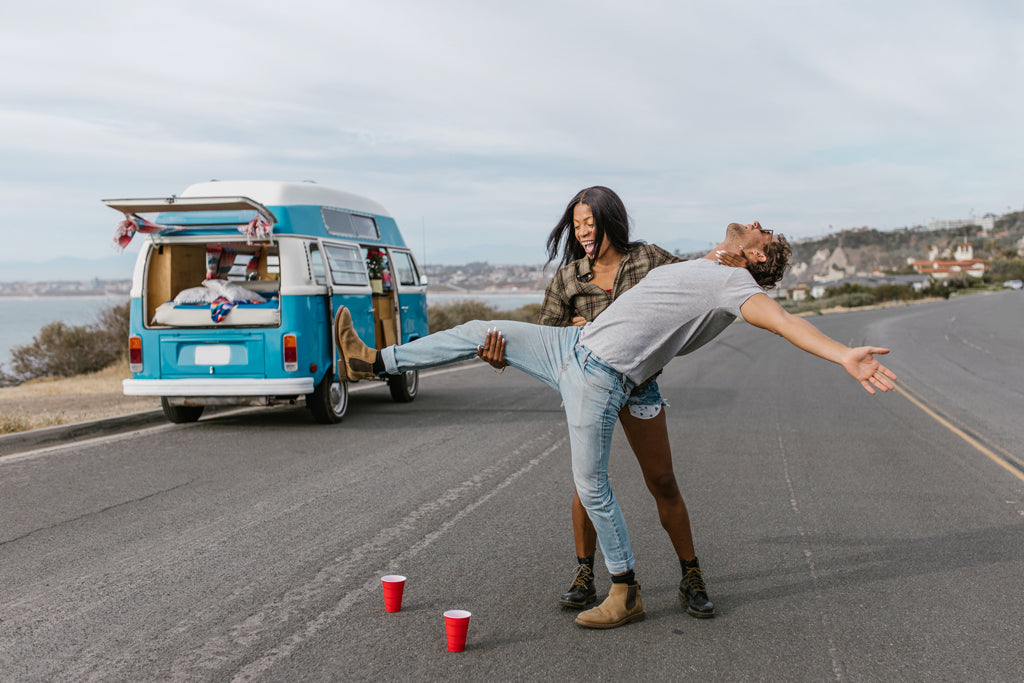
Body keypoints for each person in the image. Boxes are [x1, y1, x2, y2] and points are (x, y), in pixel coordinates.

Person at [334, 219, 897, 629]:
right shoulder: (700, 264)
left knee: (596, 484)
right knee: (478, 326)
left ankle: (625, 589)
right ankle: (374, 361)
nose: (752, 224)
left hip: (603, 377)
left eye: (761, 234)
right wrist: (510, 352)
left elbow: (783, 321)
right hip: (569, 345)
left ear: (753, 258)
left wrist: (843, 353)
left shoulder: (737, 286)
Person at [477, 186, 748, 619]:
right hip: (591, 387)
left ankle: (691, 574)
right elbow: (548, 339)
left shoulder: (648, 259)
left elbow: (697, 282)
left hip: (641, 386)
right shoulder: (568, 278)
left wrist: (732, 260)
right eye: (577, 224)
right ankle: (585, 574)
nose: (583, 231)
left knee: (662, 480)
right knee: (588, 485)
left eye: (590, 222)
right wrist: (502, 357)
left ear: (611, 220)